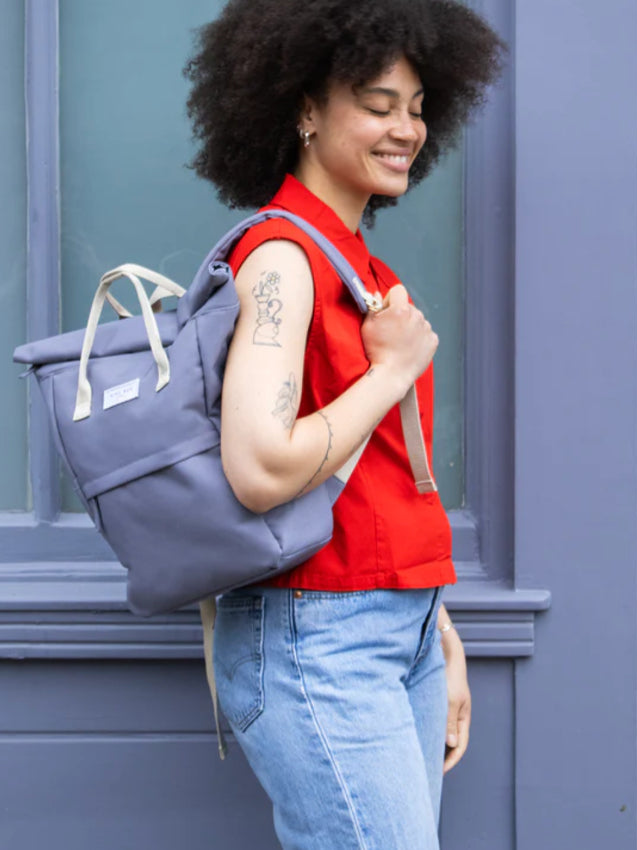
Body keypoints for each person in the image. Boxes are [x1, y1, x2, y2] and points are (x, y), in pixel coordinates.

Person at [185, 1, 503, 847]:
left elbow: (379, 479)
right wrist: (393, 367)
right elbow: (259, 469)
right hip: (316, 638)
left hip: (390, 627)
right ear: (304, 108)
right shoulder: (284, 260)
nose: (407, 128)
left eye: (418, 105)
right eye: (376, 101)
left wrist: (433, 628)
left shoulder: (357, 267)